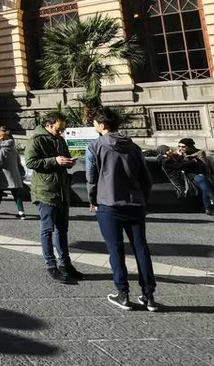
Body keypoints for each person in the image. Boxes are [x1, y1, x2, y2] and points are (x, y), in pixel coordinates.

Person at [85, 109, 158, 312]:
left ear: (101, 125)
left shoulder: (94, 146)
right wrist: (143, 198)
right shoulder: (133, 147)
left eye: (94, 123)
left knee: (115, 250)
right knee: (141, 248)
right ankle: (149, 296)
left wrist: (93, 199)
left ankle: (123, 294)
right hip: (135, 203)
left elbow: (91, 178)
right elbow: (146, 177)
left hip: (108, 204)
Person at [25, 112, 83, 284]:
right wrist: (54, 161)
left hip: (62, 191)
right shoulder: (37, 140)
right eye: (59, 129)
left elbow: (61, 160)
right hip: (46, 191)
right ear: (49, 125)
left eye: (63, 129)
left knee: (62, 230)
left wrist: (68, 162)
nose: (62, 132)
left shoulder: (60, 140)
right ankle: (51, 265)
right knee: (47, 230)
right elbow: (30, 162)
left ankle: (65, 264)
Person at [0, 129, 26, 219]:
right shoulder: (14, 150)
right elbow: (19, 162)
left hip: (4, 176)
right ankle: (21, 213)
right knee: (17, 195)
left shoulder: (2, 150)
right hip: (14, 175)